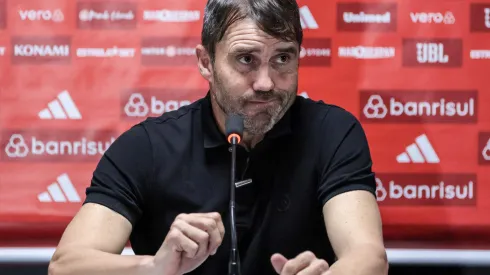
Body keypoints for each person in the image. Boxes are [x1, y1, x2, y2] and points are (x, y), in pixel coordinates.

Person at [48, 0, 388, 274]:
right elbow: (66, 265)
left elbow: (368, 257)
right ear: (206, 62)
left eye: (283, 58)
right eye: (246, 60)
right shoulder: (147, 147)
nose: (266, 82)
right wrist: (153, 268)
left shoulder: (333, 132)